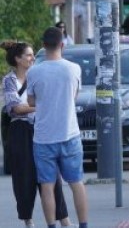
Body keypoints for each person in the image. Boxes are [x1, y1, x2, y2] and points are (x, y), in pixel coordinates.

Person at [2, 41, 71, 228]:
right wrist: (41, 107)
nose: (33, 58)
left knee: (51, 174)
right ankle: (28, 221)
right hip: (21, 132)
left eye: (33, 55)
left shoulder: (37, 75)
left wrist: (35, 108)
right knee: (24, 177)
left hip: (42, 129)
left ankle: (64, 220)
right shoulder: (9, 80)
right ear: (18, 59)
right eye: (29, 55)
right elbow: (14, 107)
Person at [26, 27, 89, 228]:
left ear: (43, 46)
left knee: (47, 186)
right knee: (76, 182)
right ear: (62, 44)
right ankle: (83, 225)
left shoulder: (34, 71)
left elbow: (31, 101)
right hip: (70, 134)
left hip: (43, 138)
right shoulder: (74, 68)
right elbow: (74, 96)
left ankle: (52, 226)